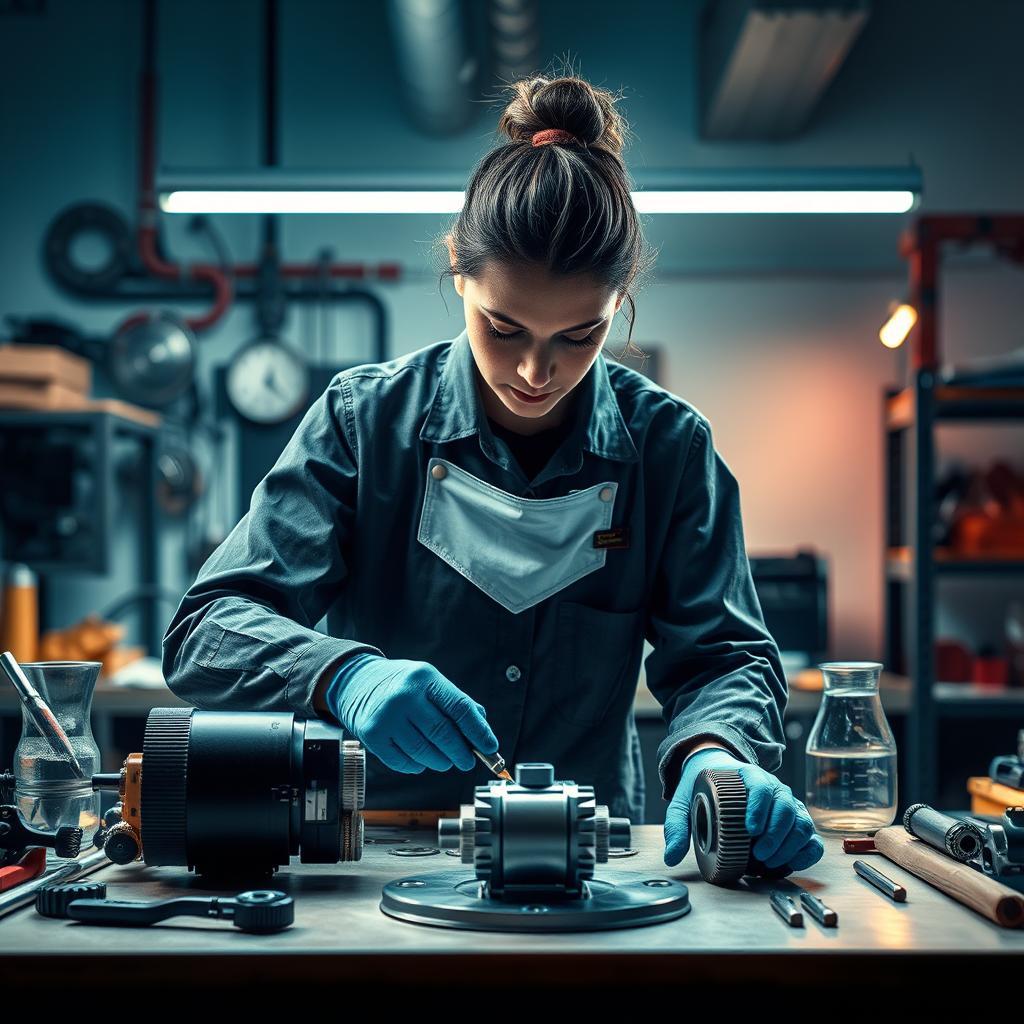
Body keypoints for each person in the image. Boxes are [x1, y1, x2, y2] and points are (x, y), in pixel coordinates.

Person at [162, 70, 823, 874]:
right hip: (378, 862)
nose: (537, 371)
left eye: (580, 337)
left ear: (621, 304)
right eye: (503, 327)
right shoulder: (363, 425)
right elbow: (207, 629)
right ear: (458, 270)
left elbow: (724, 657)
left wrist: (721, 757)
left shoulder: (670, 450)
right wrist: (345, 675)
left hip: (593, 870)